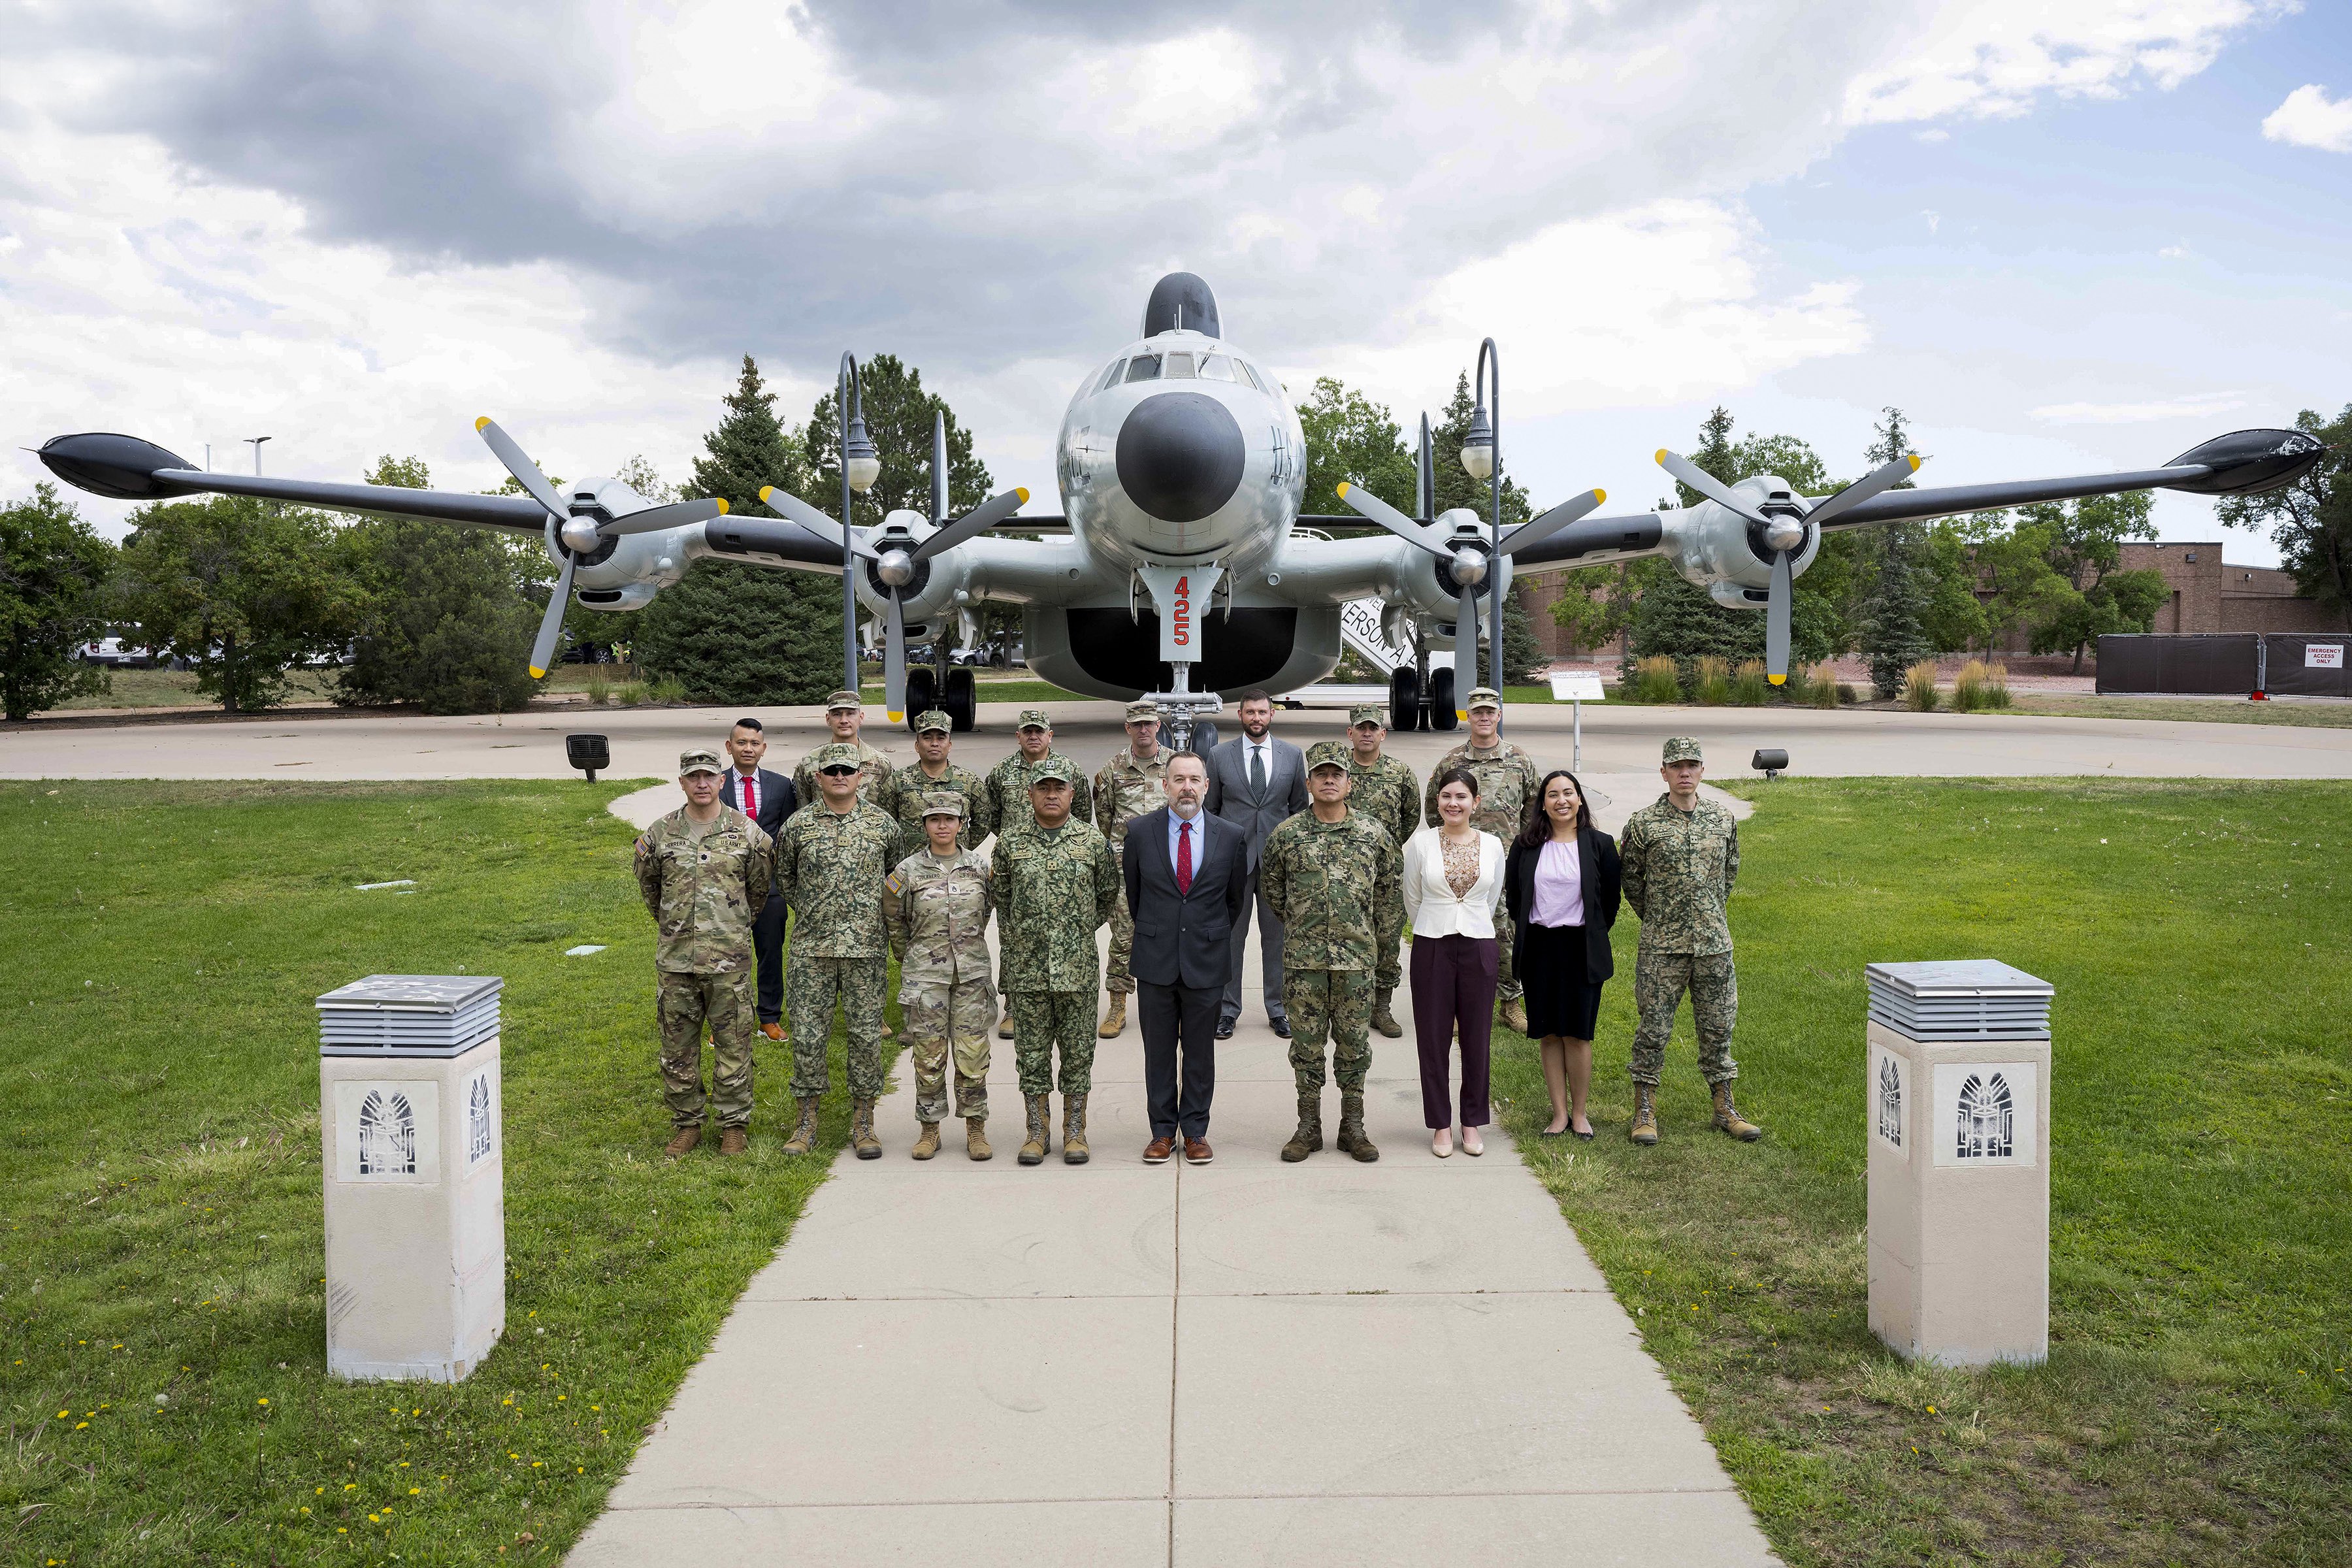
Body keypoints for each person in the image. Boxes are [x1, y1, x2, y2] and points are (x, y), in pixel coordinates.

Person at [1618, 736, 1763, 1146]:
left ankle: (1724, 1106)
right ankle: (1645, 1109)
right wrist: (1662, 917)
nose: (1685, 773)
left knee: (1719, 1027)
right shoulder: (1643, 824)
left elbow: (1729, 872)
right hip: (1662, 946)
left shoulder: (1722, 819)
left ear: (1702, 771)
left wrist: (1707, 914)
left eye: (1692, 766)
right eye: (1676, 766)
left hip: (1714, 943)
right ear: (1663, 772)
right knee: (1653, 1028)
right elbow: (1632, 881)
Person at [1259, 740, 1398, 1163]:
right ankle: (1308, 1127)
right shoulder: (1288, 835)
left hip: (1356, 962)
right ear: (1309, 783)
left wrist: (1368, 940)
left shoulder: (1372, 834)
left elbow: (1389, 894)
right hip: (1304, 963)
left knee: (1355, 1046)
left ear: (1349, 783)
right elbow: (1274, 892)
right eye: (1322, 774)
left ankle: (1352, 1127)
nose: (1330, 780)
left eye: (1337, 774)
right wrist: (1307, 929)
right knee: (1306, 1047)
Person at [632, 747, 775, 1158]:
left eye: (708, 777)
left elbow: (758, 891)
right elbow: (651, 889)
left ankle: (733, 1125)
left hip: (728, 960)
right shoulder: (660, 834)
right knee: (677, 1047)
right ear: (682, 782)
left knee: (734, 1044)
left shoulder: (747, 834)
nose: (701, 784)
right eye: (693, 777)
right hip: (676, 961)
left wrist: (729, 928)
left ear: (721, 781)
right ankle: (687, 1123)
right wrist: (677, 927)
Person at [773, 741, 903, 1160]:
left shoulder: (884, 826)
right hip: (812, 950)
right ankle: (806, 1122)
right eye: (832, 772)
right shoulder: (798, 826)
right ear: (819, 778)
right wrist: (817, 913)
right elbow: (786, 879)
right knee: (809, 1038)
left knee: (866, 1038)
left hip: (866, 949)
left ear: (861, 776)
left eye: (848, 771)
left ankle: (864, 1124)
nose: (841, 777)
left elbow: (894, 881)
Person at [1122, 749, 1249, 1164]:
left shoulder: (1230, 835)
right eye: (1179, 779)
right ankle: (1161, 1132)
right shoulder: (1140, 832)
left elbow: (1234, 902)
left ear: (1207, 786)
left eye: (1195, 779)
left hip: (1207, 960)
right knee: (1158, 1052)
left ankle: (1195, 1132)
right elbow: (1136, 896)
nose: (1187, 787)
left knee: (1199, 1053)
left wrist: (1205, 935)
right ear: (1165, 785)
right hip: (1156, 959)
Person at [992, 757, 1120, 1166]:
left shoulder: (1092, 842)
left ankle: (1075, 1130)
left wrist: (1072, 934)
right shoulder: (1010, 843)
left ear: (1072, 793)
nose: (1051, 794)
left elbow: (1105, 897)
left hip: (1077, 968)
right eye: (1043, 788)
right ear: (1030, 794)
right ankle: (1036, 1130)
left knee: (1078, 1052)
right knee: (1031, 1054)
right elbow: (1003, 900)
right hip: (1026, 969)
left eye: (1059, 788)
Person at [1505, 770, 1622, 1140]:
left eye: (1568, 793)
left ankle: (1581, 1113)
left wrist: (1587, 929)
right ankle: (1558, 1114)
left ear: (1580, 799)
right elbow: (1515, 898)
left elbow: (1610, 902)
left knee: (1577, 1034)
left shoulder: (1600, 844)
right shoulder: (1525, 845)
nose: (1561, 801)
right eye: (1552, 794)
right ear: (1543, 803)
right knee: (1549, 1033)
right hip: (1539, 947)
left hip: (1580, 949)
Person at [882, 792, 998, 1161]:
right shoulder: (906, 871)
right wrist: (910, 956)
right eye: (935, 820)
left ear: (961, 824)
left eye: (949, 819)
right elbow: (893, 917)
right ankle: (929, 1129)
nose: (943, 826)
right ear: (925, 826)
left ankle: (975, 1128)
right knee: (928, 1056)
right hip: (925, 978)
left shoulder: (980, 867)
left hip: (971, 975)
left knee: (973, 1053)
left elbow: (988, 911)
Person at [1422, 686, 1543, 1036]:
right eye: (1478, 712)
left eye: (1490, 711)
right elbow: (1435, 808)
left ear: (1499, 715)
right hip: (1462, 867)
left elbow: (1534, 811)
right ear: (1469, 716)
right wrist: (1451, 845)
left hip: (1504, 865)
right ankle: (1460, 1007)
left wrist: (1522, 850)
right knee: (1461, 936)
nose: (1484, 717)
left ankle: (1510, 1002)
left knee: (1506, 933)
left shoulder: (1519, 760)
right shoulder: (1452, 762)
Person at [1403, 768, 1507, 1156]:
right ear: (1438, 802)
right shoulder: (1421, 845)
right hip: (1432, 945)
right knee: (1433, 1037)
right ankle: (1441, 1124)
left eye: (1462, 797)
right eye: (1446, 796)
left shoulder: (1493, 845)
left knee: (1478, 1037)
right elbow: (1412, 897)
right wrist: (1434, 924)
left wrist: (1469, 922)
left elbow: (1493, 895)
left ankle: (1472, 1122)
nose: (1453, 803)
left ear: (1475, 803)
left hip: (1479, 945)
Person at [1204, 688, 1308, 1039]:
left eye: (1262, 712)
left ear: (1272, 714)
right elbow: (1212, 811)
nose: (1256, 718)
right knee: (1231, 937)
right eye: (1250, 712)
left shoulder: (1292, 756)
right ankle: (1227, 1011)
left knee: (1277, 938)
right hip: (1234, 864)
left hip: (1278, 864)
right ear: (1240, 716)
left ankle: (1278, 1009)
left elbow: (1297, 809)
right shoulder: (1219, 756)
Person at [985, 710, 1094, 1039]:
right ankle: (1014, 1008)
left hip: (1062, 865)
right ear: (1018, 736)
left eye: (1040, 731)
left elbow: (1083, 815)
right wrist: (1014, 846)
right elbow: (991, 817)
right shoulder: (1001, 772)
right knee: (1013, 937)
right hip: (1017, 864)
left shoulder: (1070, 771)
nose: (1034, 736)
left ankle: (1061, 1003)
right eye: (1027, 731)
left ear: (1050, 735)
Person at [1092, 699, 1171, 1040]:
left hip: (1168, 865)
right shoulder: (1112, 770)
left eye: (1149, 724)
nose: (1143, 730)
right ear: (1128, 728)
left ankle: (1169, 1005)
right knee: (1124, 937)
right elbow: (1105, 817)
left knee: (1169, 934)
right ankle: (1117, 1006)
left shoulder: (1174, 765)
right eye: (1137, 724)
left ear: (1158, 726)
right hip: (1125, 866)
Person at [719, 716, 799, 1041]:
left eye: (754, 743)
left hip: (771, 887)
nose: (748, 748)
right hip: (726, 886)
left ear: (764, 749)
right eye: (741, 742)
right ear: (730, 747)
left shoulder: (781, 786)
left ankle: (769, 1017)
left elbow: (789, 834)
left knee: (770, 952)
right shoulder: (715, 782)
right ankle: (727, 1022)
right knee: (726, 956)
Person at [1343, 703, 1420, 1039]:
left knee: (1387, 942)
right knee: (1346, 940)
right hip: (1343, 873)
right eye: (1361, 728)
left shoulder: (1399, 772)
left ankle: (1381, 1009)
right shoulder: (1336, 770)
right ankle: (1349, 1008)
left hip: (1387, 875)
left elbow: (1412, 814)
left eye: (1373, 728)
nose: (1367, 733)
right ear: (1351, 733)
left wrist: (1385, 847)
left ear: (1383, 734)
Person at [875, 709, 992, 866]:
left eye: (941, 738)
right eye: (927, 738)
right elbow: (886, 824)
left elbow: (983, 823)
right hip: (911, 869)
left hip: (956, 868)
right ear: (917, 745)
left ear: (949, 745)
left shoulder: (969, 781)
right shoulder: (898, 782)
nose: (934, 743)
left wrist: (961, 848)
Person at [793, 689, 893, 807]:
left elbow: (889, 812)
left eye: (850, 714)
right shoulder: (810, 762)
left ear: (861, 717)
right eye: (837, 714)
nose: (844, 720)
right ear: (828, 719)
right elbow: (800, 809)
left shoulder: (880, 763)